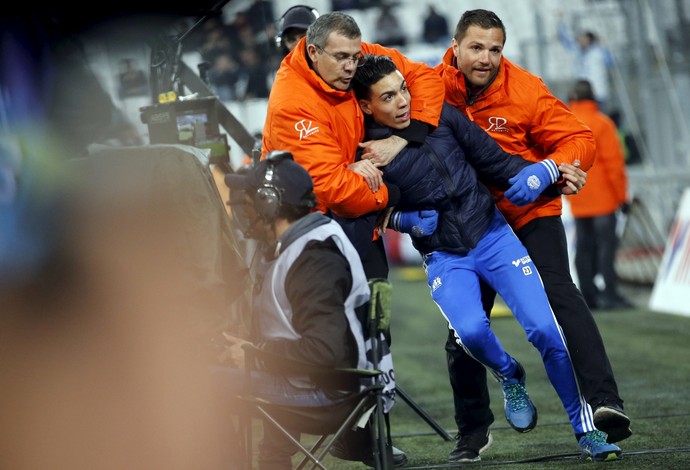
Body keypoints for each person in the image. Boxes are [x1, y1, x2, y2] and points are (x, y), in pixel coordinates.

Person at [353, 53, 622, 462]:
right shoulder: (363, 151)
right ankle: (510, 374)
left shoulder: (442, 116)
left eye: (404, 89)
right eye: (388, 97)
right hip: (445, 256)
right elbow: (363, 206)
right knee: (472, 335)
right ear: (368, 106)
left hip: (495, 237)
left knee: (547, 333)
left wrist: (552, 174)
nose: (403, 101)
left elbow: (497, 162)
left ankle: (585, 430)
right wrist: (403, 219)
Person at [431, 9, 631, 463]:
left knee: (561, 297)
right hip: (468, 223)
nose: (486, 58)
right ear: (456, 46)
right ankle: (473, 431)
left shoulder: (525, 89)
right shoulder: (428, 87)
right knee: (463, 331)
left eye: (495, 49)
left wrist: (550, 168)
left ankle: (605, 404)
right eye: (476, 48)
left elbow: (581, 139)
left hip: (527, 213)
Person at [261, 11, 445, 466]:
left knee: (372, 332)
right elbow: (331, 190)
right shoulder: (293, 101)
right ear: (312, 50)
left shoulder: (360, 58)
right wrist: (387, 192)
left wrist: (406, 139)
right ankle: (280, 446)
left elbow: (426, 77)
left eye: (355, 56)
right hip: (310, 236)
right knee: (311, 337)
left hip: (356, 225)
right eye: (341, 58)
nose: (350, 66)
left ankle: (361, 433)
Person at [218, 150, 372, 469]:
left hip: (328, 393)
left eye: (249, 198)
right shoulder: (294, 246)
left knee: (195, 382)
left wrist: (253, 354)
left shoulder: (314, 257)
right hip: (308, 380)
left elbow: (325, 351)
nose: (242, 207)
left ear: (268, 203)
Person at [567, 79, 632, 310]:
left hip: (578, 198)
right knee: (606, 247)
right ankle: (610, 294)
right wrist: (622, 197)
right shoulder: (603, 124)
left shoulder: (567, 122)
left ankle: (588, 296)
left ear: (573, 98)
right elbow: (614, 165)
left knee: (584, 248)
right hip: (603, 199)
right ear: (593, 97)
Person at [557, 20, 613, 109]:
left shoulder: (598, 52)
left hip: (597, 93)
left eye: (584, 38)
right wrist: (561, 22)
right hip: (582, 93)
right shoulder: (578, 51)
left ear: (590, 40)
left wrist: (604, 45)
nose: (581, 41)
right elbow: (567, 42)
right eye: (580, 39)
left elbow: (610, 62)